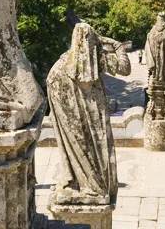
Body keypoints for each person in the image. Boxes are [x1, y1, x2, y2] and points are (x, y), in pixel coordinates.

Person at [47, 22, 131, 205]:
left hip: (69, 115)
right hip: (92, 115)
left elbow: (51, 82)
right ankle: (89, 184)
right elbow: (125, 68)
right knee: (93, 147)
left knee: (76, 145)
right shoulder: (99, 57)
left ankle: (78, 180)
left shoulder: (63, 63)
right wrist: (117, 45)